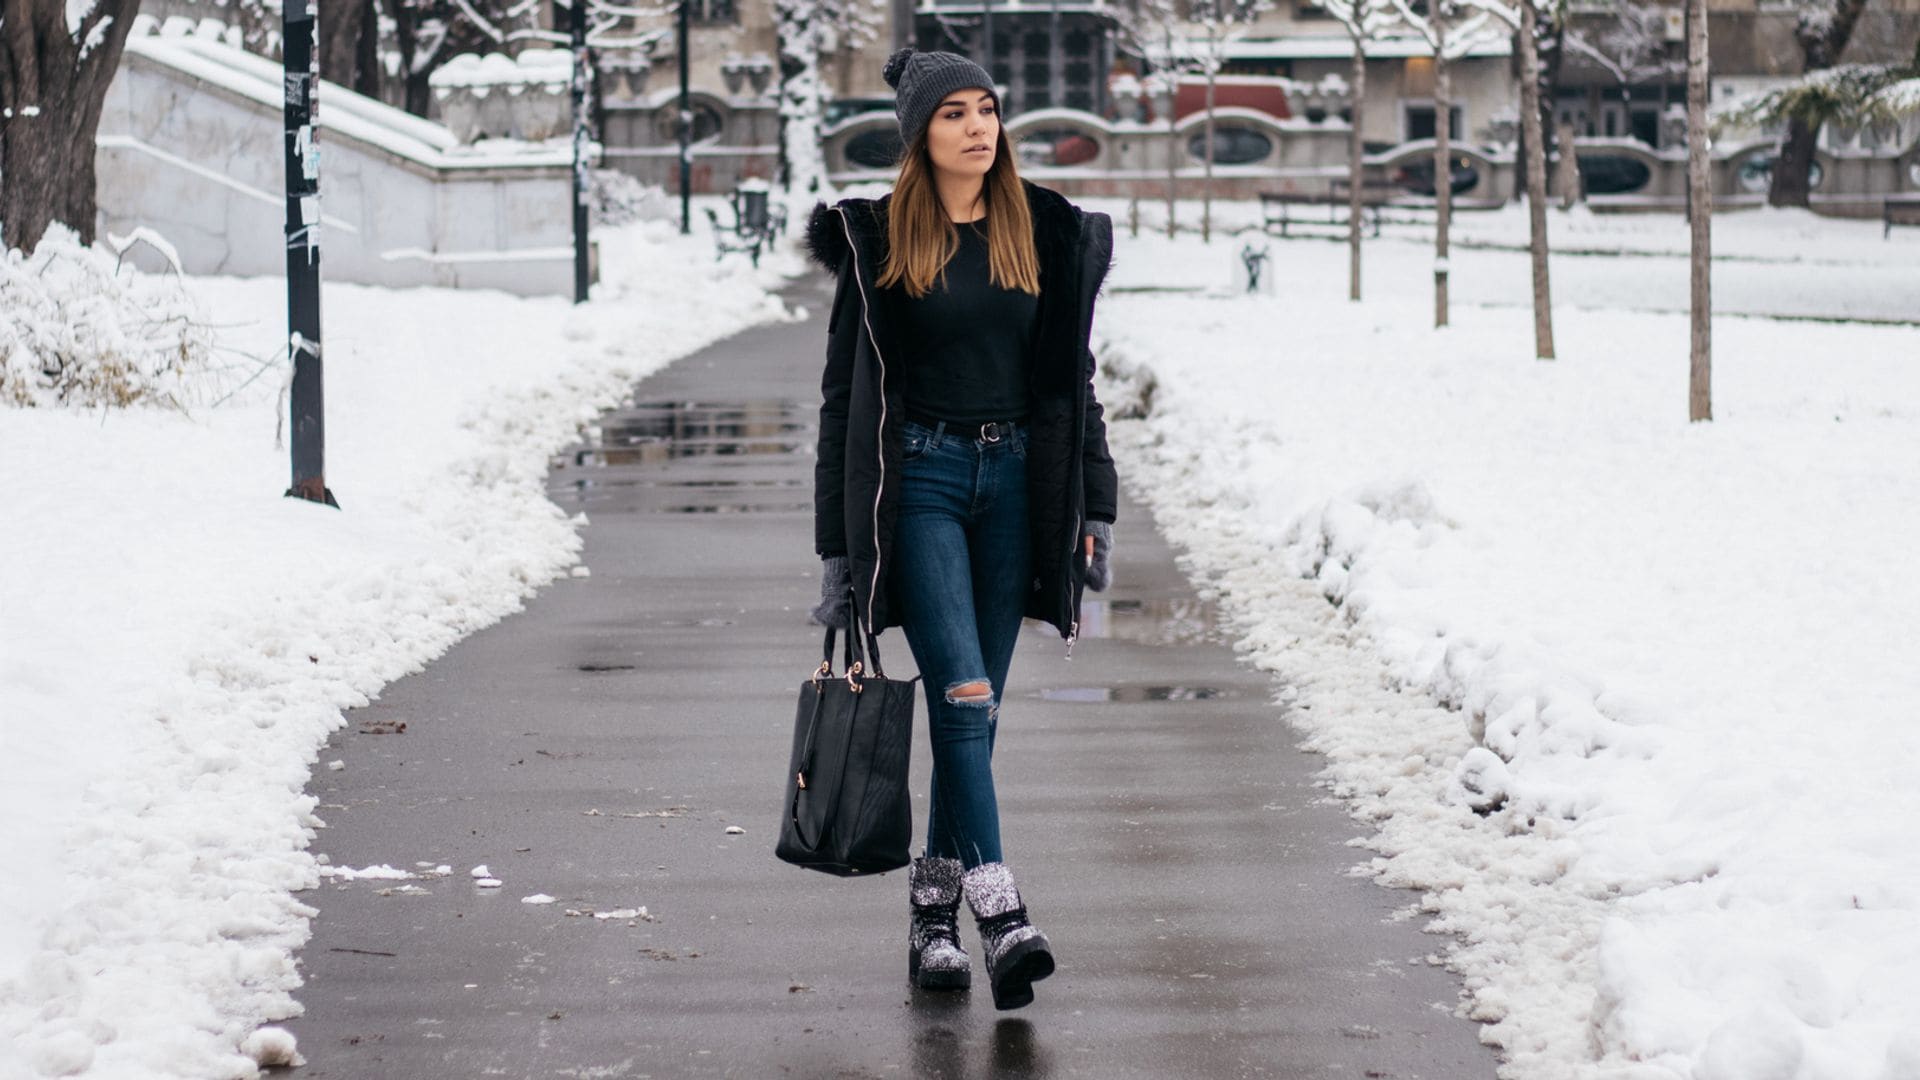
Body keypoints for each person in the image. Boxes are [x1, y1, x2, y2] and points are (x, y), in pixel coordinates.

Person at [802, 47, 1118, 1012]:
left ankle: (930, 915)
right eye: (954, 114)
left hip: (1018, 484)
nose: (978, 127)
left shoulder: (1045, 231)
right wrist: (837, 550)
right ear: (917, 135)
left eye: (987, 109)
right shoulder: (877, 241)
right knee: (967, 696)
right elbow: (841, 403)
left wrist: (1094, 502)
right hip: (924, 484)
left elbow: (1074, 379)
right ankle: (999, 908)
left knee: (968, 719)